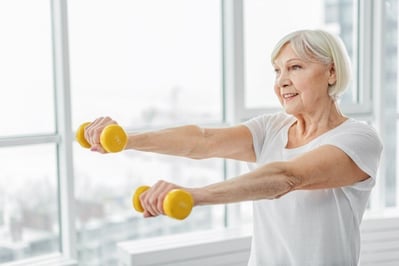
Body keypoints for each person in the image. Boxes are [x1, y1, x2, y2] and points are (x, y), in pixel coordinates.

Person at [83, 29, 383, 266]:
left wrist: (195, 196)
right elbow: (202, 140)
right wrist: (126, 139)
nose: (281, 82)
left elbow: (286, 177)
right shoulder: (272, 128)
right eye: (277, 71)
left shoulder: (359, 138)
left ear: (331, 73)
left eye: (295, 67)